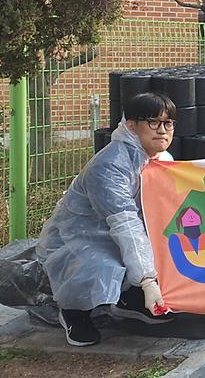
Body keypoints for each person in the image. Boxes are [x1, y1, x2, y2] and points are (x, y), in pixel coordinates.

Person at [36, 92, 177, 347]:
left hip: (124, 234)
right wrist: (147, 280)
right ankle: (74, 312)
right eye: (153, 122)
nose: (162, 130)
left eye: (168, 123)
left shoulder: (161, 159)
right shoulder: (110, 165)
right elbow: (125, 224)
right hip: (81, 237)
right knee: (98, 268)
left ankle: (129, 299)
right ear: (131, 125)